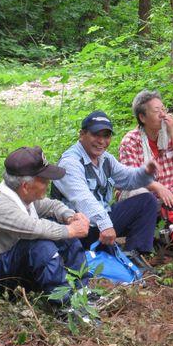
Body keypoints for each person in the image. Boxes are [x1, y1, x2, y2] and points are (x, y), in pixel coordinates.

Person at [0, 146, 90, 304]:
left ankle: (82, 292)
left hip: (8, 263)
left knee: (62, 231)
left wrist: (71, 217)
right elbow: (35, 229)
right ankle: (65, 305)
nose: (48, 183)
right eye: (43, 180)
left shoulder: (21, 196)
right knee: (40, 244)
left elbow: (52, 206)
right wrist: (71, 230)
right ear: (25, 186)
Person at [53, 111, 159, 270]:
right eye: (96, 135)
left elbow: (127, 178)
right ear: (82, 134)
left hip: (101, 222)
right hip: (78, 229)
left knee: (147, 201)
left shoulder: (105, 159)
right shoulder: (70, 162)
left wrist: (145, 173)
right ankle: (99, 257)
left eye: (106, 136)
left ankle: (135, 255)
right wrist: (105, 224)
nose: (101, 141)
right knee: (95, 225)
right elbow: (83, 199)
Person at [119, 90, 173, 209]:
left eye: (163, 109)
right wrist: (157, 187)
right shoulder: (130, 141)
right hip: (145, 194)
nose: (162, 114)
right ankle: (155, 218)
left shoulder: (171, 132)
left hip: (172, 191)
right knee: (139, 194)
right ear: (142, 117)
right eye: (156, 111)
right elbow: (132, 179)